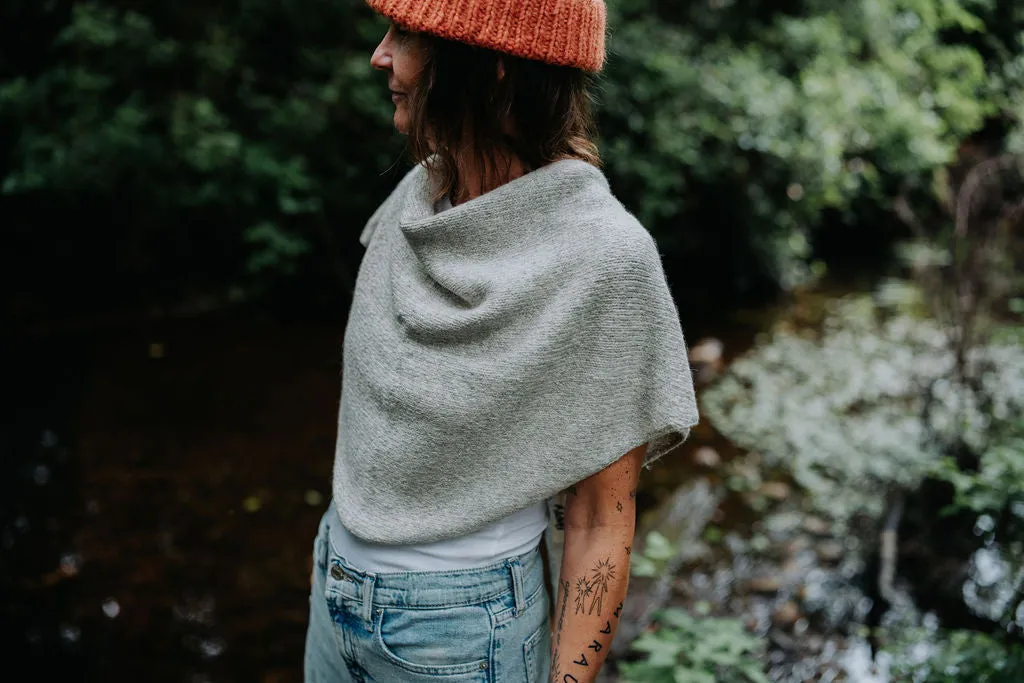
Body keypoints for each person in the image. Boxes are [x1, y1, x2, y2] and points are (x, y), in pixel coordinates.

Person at [304, 1, 699, 681]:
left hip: (463, 631)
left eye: (406, 36)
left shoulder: (605, 257)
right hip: (333, 587)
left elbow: (601, 522)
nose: (380, 55)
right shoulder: (415, 198)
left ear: (488, 68)